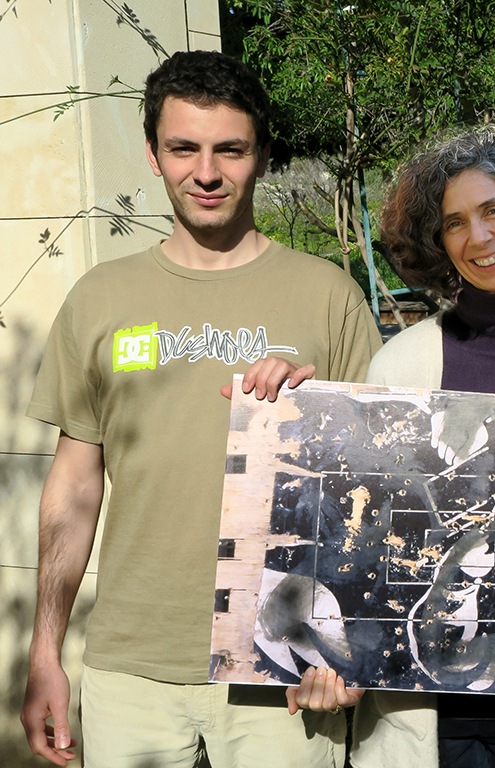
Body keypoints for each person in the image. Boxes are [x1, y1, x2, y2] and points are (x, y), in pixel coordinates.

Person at [20, 50, 381, 767]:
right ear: (154, 154)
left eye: (230, 150)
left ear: (263, 157)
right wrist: (45, 651)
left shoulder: (328, 295)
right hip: (132, 666)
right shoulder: (101, 297)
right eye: (184, 148)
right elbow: (74, 487)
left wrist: (356, 650)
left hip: (286, 661)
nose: (206, 173)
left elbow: (371, 489)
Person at [289, 126, 495, 768]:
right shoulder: (399, 365)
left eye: (494, 210)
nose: (479, 237)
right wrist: (334, 658)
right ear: (439, 242)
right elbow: (360, 541)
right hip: (417, 709)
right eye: (455, 223)